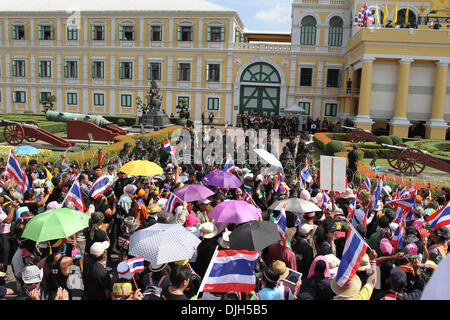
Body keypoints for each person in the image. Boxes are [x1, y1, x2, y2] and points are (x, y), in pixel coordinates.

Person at [0, 194, 18, 274]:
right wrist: (13, 208)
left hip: (5, 234)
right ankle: (2, 276)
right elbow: (8, 220)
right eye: (1, 197)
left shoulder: (1, 207)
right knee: (3, 257)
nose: (3, 198)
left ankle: (3, 273)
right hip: (2, 236)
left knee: (5, 256)